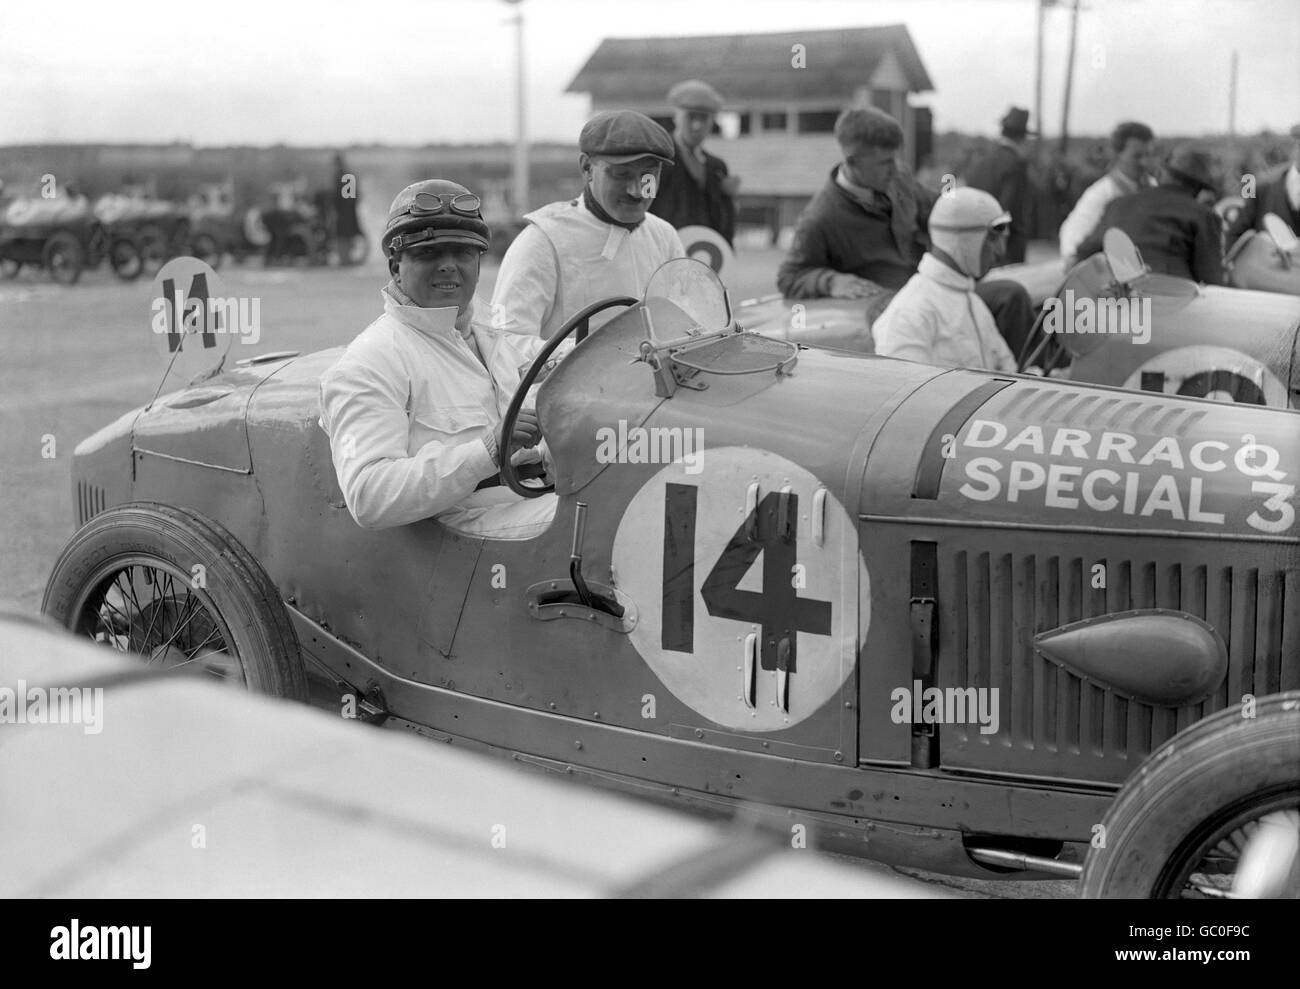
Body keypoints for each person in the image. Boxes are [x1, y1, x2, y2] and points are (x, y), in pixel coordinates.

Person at [319, 179, 558, 538]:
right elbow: (368, 495)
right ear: (396, 267)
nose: (448, 266)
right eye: (429, 254)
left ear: (478, 263)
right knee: (615, 520)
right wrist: (487, 451)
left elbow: (561, 357)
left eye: (463, 253)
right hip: (461, 532)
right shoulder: (370, 361)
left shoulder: (494, 336)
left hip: (532, 500)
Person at [776, 106, 1034, 356]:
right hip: (894, 309)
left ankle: (1029, 379)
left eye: (895, 159)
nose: (894, 167)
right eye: (884, 162)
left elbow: (939, 209)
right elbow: (790, 276)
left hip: (934, 287)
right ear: (853, 161)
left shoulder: (897, 179)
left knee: (1011, 296)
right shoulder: (820, 218)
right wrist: (831, 281)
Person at [491, 110, 685, 339]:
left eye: (648, 176)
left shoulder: (664, 236)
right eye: (621, 175)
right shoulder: (544, 241)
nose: (636, 191)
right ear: (587, 169)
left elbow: (686, 322)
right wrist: (584, 358)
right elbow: (503, 342)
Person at [873, 188, 1017, 372]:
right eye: (992, 238)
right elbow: (904, 393)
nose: (1000, 251)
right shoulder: (911, 312)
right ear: (964, 237)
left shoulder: (974, 304)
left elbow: (1010, 374)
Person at [1074, 145, 1224, 285]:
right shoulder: (1204, 215)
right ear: (1199, 188)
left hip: (1117, 297)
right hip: (1172, 301)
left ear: (1161, 174)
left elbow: (1084, 254)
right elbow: (1212, 280)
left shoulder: (1118, 204)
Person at [648, 79, 739, 244]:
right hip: (662, 251)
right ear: (676, 116)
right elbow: (643, 209)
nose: (697, 125)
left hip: (705, 255)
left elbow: (725, 219)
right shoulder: (655, 158)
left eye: (704, 118)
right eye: (691, 117)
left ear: (712, 122)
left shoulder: (717, 167)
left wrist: (726, 255)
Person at [1059, 121, 1156, 267]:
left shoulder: (1155, 187)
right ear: (1117, 155)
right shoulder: (1101, 194)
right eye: (1137, 156)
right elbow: (1073, 236)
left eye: (1149, 155)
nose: (1145, 162)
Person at [964, 107, 1034, 264]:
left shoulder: (982, 162)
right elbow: (1009, 208)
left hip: (978, 241)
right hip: (1005, 246)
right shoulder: (1015, 165)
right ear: (1022, 137)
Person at [1224, 124, 1300, 246]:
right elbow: (1244, 176)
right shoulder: (1251, 159)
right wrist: (1246, 195)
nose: (1267, 143)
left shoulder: (1275, 152)